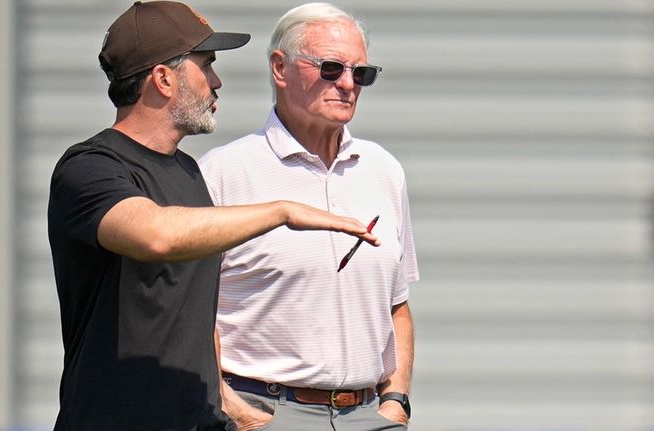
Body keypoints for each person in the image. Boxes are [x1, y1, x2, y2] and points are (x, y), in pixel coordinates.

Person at [47, 2, 380, 431]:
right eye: (206, 66)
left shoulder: (188, 171)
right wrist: (282, 211)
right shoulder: (90, 167)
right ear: (164, 79)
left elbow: (196, 311)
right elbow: (155, 234)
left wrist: (228, 403)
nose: (217, 82)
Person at [199, 2, 419, 430]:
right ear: (280, 68)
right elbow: (190, 314)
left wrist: (397, 402)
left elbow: (398, 306)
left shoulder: (384, 170)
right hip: (266, 410)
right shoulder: (221, 173)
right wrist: (235, 410)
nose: (348, 84)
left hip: (368, 414)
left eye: (362, 73)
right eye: (332, 68)